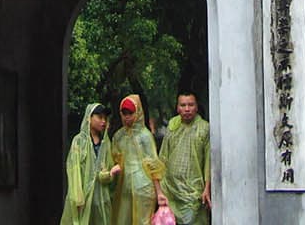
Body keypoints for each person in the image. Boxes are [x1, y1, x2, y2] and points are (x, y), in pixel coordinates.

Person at [109, 93, 163, 225]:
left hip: (144, 188)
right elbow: (113, 160)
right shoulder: (118, 136)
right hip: (124, 189)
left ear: (138, 112)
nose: (127, 117)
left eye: (130, 113)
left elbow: (153, 164)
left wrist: (159, 192)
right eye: (124, 113)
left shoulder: (145, 136)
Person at [61, 103, 118, 225]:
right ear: (89, 118)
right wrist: (77, 198)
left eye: (105, 118)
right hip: (83, 200)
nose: (103, 121)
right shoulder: (79, 141)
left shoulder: (106, 143)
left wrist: (110, 174)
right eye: (99, 117)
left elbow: (108, 173)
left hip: (101, 201)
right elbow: (74, 170)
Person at [159, 91, 211, 225]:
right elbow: (163, 158)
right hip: (171, 191)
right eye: (183, 105)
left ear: (197, 107)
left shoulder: (204, 128)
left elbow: (208, 162)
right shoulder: (172, 127)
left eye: (190, 105)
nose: (187, 109)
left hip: (193, 194)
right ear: (177, 108)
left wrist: (207, 187)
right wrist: (159, 189)